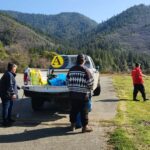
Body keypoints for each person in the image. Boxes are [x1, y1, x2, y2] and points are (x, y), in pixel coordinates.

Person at [67, 54, 94, 133]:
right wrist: (89, 89)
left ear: (77, 60)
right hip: (83, 95)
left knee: (73, 110)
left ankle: (72, 126)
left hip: (73, 95)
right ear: (84, 61)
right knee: (84, 112)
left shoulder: (71, 70)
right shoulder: (86, 70)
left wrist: (72, 88)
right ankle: (85, 127)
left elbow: (67, 82)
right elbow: (90, 83)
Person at [0, 62, 19, 127]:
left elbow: (12, 83)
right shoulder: (9, 74)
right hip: (6, 95)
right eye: (15, 68)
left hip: (8, 94)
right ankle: (5, 122)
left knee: (9, 107)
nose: (16, 69)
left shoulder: (9, 73)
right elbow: (10, 85)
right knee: (6, 108)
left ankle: (9, 119)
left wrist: (17, 87)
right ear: (12, 68)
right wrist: (13, 93)